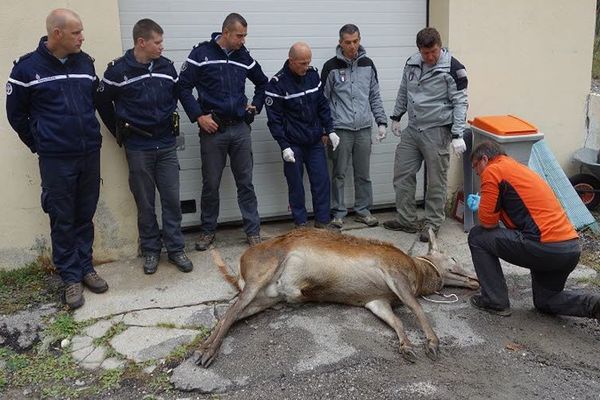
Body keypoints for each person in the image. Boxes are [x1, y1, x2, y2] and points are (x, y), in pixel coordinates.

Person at [6, 9, 108, 309]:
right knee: (62, 218)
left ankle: (86, 267)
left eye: (81, 32)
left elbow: (94, 100)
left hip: (89, 153)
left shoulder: (85, 63)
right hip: (56, 159)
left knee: (84, 214)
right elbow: (16, 116)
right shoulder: (26, 69)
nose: (82, 37)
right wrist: (42, 143)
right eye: (76, 33)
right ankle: (70, 278)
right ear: (57, 34)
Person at [96, 19, 193, 275]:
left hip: (166, 144)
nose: (162, 46)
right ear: (142, 42)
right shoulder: (117, 71)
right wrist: (118, 132)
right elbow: (103, 103)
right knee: (146, 202)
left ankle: (175, 249)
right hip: (138, 146)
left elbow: (178, 95)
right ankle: (151, 250)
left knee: (171, 200)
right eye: (157, 42)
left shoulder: (167, 67)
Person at [468, 140, 600, 320]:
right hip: (569, 249)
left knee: (477, 236)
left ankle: (494, 301)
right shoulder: (519, 169)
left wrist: (483, 205)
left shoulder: (493, 169)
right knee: (546, 301)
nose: (477, 172)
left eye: (476, 166)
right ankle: (594, 305)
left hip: (544, 247)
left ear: (485, 158)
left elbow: (487, 222)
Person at [178, 13, 267, 251]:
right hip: (213, 131)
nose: (243, 41)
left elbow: (263, 83)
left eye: (245, 36)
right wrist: (199, 116)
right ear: (226, 32)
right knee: (211, 184)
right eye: (239, 36)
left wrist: (255, 106)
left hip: (239, 129)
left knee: (245, 183)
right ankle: (207, 231)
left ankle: (253, 231)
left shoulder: (243, 57)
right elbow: (183, 87)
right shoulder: (201, 54)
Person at [383, 27, 468, 242]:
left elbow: (460, 102)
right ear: (419, 49)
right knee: (402, 173)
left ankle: (432, 223)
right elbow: (404, 89)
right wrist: (396, 115)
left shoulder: (454, 69)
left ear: (440, 46)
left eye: (434, 52)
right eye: (425, 53)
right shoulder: (412, 62)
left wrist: (457, 133)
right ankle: (406, 219)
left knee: (436, 181)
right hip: (413, 129)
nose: (430, 57)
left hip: (437, 130)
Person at [265, 42, 340, 229]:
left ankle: (322, 222)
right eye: (302, 63)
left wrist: (329, 130)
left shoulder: (313, 76)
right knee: (296, 185)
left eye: (308, 62)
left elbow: (322, 105)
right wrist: (284, 146)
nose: (306, 67)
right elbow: (274, 119)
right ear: (291, 60)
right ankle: (301, 224)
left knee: (321, 181)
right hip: (293, 145)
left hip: (314, 141)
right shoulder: (277, 84)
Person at [321, 24, 388, 229]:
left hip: (363, 129)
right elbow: (322, 100)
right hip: (340, 129)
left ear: (360, 40)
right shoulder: (330, 67)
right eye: (348, 42)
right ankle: (338, 212)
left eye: (356, 41)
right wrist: (326, 130)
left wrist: (382, 121)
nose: (352, 46)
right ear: (340, 42)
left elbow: (374, 95)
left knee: (363, 173)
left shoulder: (368, 64)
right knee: (339, 172)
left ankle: (363, 210)